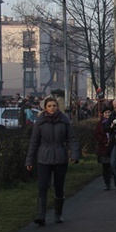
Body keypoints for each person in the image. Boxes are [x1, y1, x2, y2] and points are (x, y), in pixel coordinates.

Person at [25, 96, 80, 225]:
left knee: (59, 187)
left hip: (60, 158)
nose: (52, 108)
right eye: (49, 106)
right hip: (44, 158)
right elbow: (34, 142)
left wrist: (75, 154)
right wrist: (29, 160)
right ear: (45, 108)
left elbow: (72, 139)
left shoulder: (64, 121)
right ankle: (41, 215)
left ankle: (58, 214)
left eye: (54, 106)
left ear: (57, 107)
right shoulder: (40, 122)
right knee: (42, 187)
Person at [94, 108, 113, 191]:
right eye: (106, 112)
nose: (107, 114)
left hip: (113, 147)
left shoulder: (114, 122)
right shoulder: (100, 124)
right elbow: (97, 134)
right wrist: (104, 141)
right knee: (105, 166)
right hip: (104, 147)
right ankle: (107, 183)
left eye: (109, 112)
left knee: (113, 165)